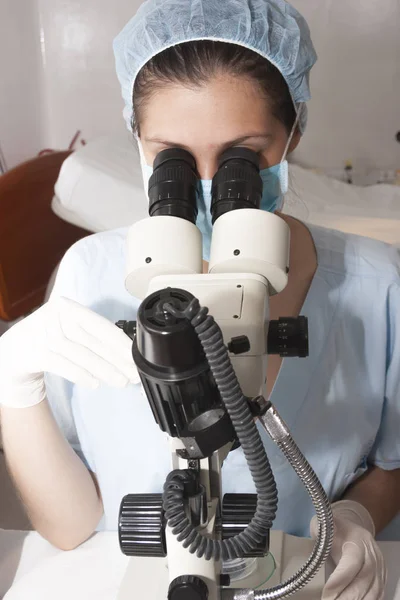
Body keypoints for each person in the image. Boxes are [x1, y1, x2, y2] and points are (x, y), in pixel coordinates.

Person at [0, 0, 398, 598]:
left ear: (293, 134)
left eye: (244, 157)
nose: (211, 191)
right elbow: (69, 526)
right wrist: (14, 388)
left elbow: (392, 466)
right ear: (137, 142)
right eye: (173, 162)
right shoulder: (92, 275)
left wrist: (355, 518)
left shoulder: (379, 284)